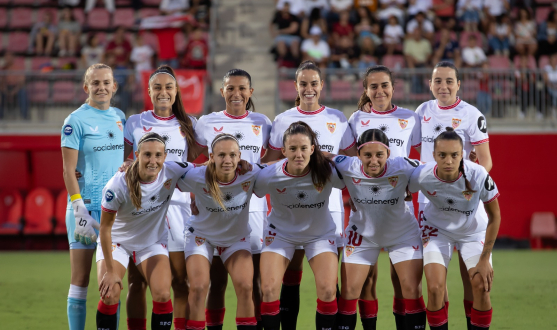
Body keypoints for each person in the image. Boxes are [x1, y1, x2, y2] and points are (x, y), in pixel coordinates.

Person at [263, 60, 356, 330]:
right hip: (288, 209)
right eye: (303, 83)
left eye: (314, 83)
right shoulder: (282, 120)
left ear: (321, 85)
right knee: (290, 276)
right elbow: (270, 164)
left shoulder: (337, 118)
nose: (309, 88)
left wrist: (329, 158)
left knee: (329, 284)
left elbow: (352, 162)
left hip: (328, 206)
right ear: (295, 86)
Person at [193, 68, 272, 330]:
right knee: (216, 282)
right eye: (231, 88)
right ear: (222, 91)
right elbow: (194, 162)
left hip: (254, 211)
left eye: (242, 89)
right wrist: (197, 193)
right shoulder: (206, 122)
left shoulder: (263, 123)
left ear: (251, 92)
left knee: (254, 282)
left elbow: (270, 163)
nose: (236, 94)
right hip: (215, 211)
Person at [416, 61, 493, 329]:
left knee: (475, 283)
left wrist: (463, 187)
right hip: (431, 207)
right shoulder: (422, 111)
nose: (443, 86)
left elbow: (486, 162)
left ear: (459, 84)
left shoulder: (472, 114)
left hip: (465, 207)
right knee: (435, 287)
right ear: (430, 84)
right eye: (438, 81)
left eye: (449, 81)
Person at [123, 65, 197, 330]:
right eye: (157, 87)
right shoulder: (135, 122)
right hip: (142, 209)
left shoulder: (189, 125)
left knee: (180, 281)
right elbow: (124, 163)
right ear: (149, 91)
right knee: (136, 282)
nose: (163, 92)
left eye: (169, 87)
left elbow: (196, 168)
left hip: (178, 209)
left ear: (176, 91)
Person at [348, 65, 422, 330]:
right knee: (366, 279)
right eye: (374, 86)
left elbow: (421, 159)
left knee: (403, 280)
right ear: (366, 90)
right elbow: (347, 162)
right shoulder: (356, 119)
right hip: (366, 210)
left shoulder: (411, 118)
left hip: (400, 207)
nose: (379, 91)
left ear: (394, 87)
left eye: (384, 85)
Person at [96, 132, 195, 330]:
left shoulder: (171, 171)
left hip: (151, 242)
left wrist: (240, 166)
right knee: (110, 294)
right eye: (147, 155)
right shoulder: (118, 184)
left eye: (158, 155)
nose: (153, 161)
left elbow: (206, 171)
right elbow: (105, 229)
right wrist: (109, 270)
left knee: (162, 294)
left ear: (165, 157)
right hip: (118, 243)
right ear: (137, 155)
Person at [408, 127, 501, 330]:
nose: (448, 161)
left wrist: (485, 259)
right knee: (434, 289)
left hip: (473, 232)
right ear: (433, 156)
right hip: (436, 231)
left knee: (481, 286)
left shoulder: (478, 174)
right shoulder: (421, 175)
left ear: (463, 155)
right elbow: (400, 188)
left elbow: (495, 216)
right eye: (442, 155)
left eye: (454, 155)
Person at [256, 121, 345, 330]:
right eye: (293, 149)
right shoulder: (269, 174)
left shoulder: (329, 170)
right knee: (268, 290)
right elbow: (240, 182)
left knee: (328, 290)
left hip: (320, 235)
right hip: (280, 235)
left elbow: (359, 173)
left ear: (313, 149)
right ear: (283, 150)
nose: (298, 154)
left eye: (304, 148)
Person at [334, 128, 425, 330]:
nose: (373, 160)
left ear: (389, 154)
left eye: (379, 155)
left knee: (411, 289)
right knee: (349, 292)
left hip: (402, 235)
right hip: (363, 235)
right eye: (367, 155)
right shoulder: (346, 164)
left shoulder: (403, 166)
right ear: (358, 155)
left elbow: (433, 170)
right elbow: (323, 156)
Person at [61, 63, 126, 330]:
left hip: (115, 213)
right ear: (86, 87)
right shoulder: (74, 120)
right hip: (85, 211)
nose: (101, 87)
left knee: (112, 283)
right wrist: (79, 210)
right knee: (80, 281)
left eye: (106, 82)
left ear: (114, 86)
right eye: (95, 83)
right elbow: (67, 170)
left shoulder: (120, 116)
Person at [180, 133, 262, 330]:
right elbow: (165, 169)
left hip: (236, 239)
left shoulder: (251, 173)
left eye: (233, 155)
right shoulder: (195, 175)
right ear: (211, 157)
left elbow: (284, 167)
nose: (227, 160)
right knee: (199, 288)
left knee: (246, 287)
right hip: (201, 237)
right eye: (221, 155)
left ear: (240, 156)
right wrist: (129, 165)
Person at [0, 52, 28, 120]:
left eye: (8, 57)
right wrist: (6, 91)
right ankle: (1, 117)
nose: (7, 59)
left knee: (23, 93)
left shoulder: (18, 68)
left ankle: (24, 117)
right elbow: (1, 82)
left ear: (13, 58)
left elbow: (21, 82)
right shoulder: (2, 69)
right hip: (5, 88)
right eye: (6, 57)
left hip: (16, 88)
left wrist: (14, 91)